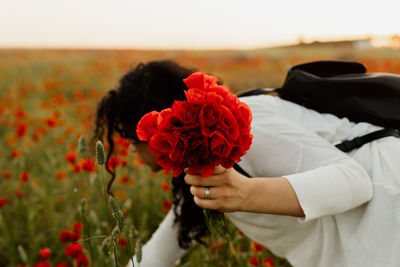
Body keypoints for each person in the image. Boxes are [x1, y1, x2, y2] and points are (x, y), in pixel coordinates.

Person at [92, 60, 400, 267]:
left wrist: (247, 193)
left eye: (133, 138)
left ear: (167, 122)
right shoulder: (207, 171)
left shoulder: (244, 122)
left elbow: (355, 181)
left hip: (386, 199)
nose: (131, 150)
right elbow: (157, 254)